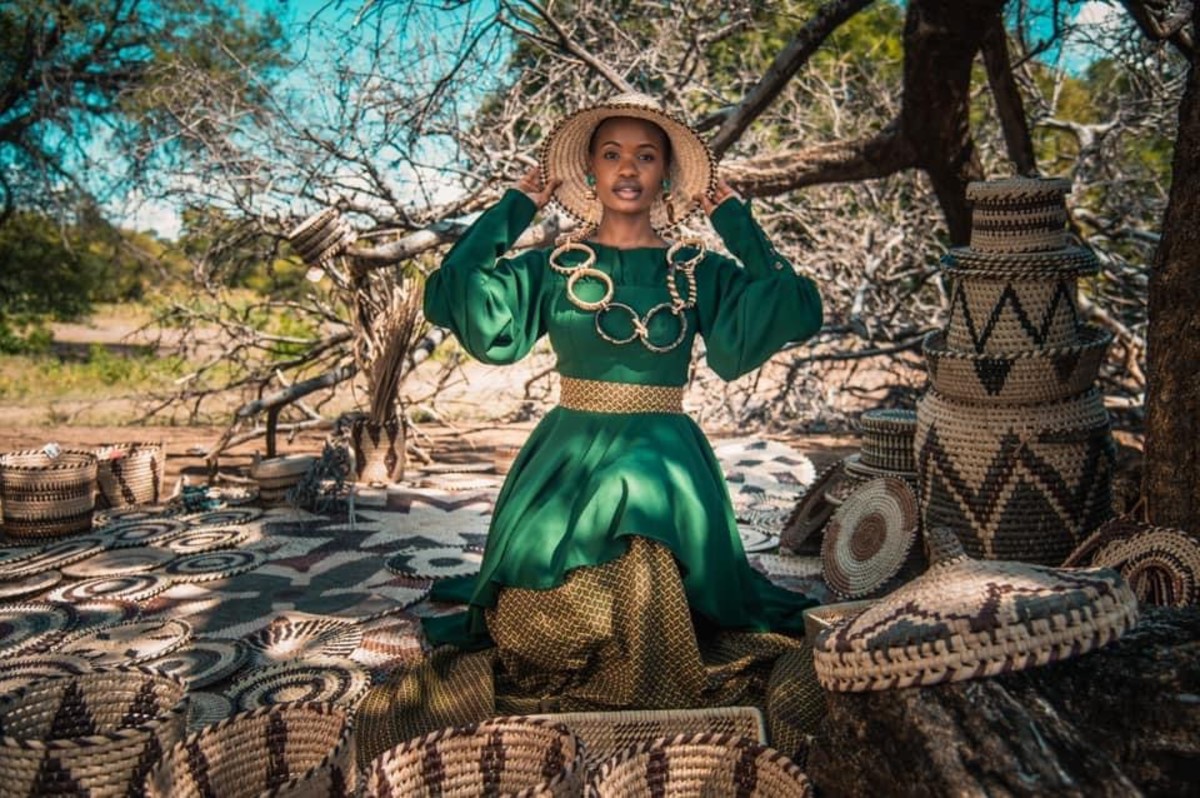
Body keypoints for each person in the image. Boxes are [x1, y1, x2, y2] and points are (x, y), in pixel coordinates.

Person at [420, 92, 823, 710]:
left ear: (665, 173)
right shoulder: (554, 266)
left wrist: (736, 223)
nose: (628, 169)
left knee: (635, 502)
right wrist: (514, 210)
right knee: (531, 619)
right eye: (611, 155)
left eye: (645, 156)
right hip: (566, 456)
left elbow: (789, 302)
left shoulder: (698, 268)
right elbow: (458, 289)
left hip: (663, 456)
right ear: (589, 170)